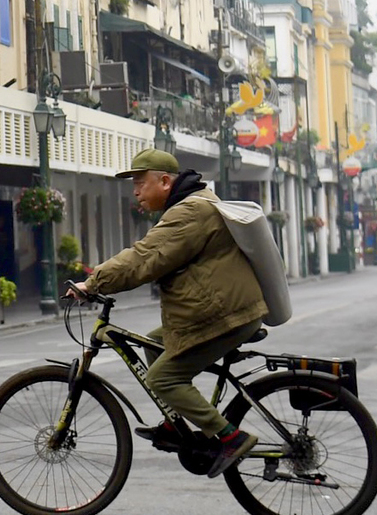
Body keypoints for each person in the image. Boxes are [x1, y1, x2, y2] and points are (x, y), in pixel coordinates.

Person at [70, 149, 265, 478]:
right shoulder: (192, 204)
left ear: (164, 181)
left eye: (140, 182)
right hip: (222, 308)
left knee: (162, 378)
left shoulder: (189, 212)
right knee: (154, 342)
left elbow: (145, 257)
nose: (135, 191)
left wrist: (92, 283)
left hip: (225, 314)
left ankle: (231, 437)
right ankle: (176, 424)